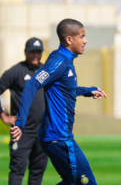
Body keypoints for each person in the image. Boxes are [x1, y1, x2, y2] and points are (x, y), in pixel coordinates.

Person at [10, 18, 107, 185]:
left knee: (71, 181)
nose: (86, 41)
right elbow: (32, 84)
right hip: (59, 136)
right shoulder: (59, 61)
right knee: (86, 183)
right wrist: (20, 123)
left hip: (56, 136)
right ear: (69, 39)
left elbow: (64, 90)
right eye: (82, 36)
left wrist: (87, 91)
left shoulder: (62, 58)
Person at [0, 37, 48, 185]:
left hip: (43, 131)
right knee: (17, 169)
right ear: (25, 52)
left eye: (38, 52)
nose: (35, 55)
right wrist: (3, 115)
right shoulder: (16, 71)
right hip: (21, 131)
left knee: (37, 170)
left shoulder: (46, 71)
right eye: (32, 51)